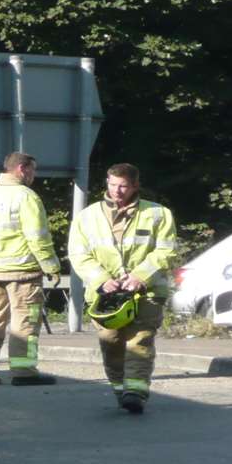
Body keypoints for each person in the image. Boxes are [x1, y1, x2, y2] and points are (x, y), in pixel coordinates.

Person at [67, 163, 180, 414]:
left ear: (135, 186)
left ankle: (135, 392)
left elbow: (167, 251)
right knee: (111, 341)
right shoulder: (88, 216)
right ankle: (120, 387)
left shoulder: (158, 214)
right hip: (107, 295)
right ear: (106, 182)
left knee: (140, 340)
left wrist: (141, 275)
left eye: (123, 186)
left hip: (147, 291)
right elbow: (78, 253)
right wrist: (100, 279)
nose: (117, 190)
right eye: (112, 184)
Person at [0, 151, 63, 387]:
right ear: (22, 169)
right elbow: (37, 237)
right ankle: (24, 372)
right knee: (26, 320)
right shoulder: (26, 196)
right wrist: (52, 266)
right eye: (33, 170)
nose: (33, 175)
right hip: (23, 270)